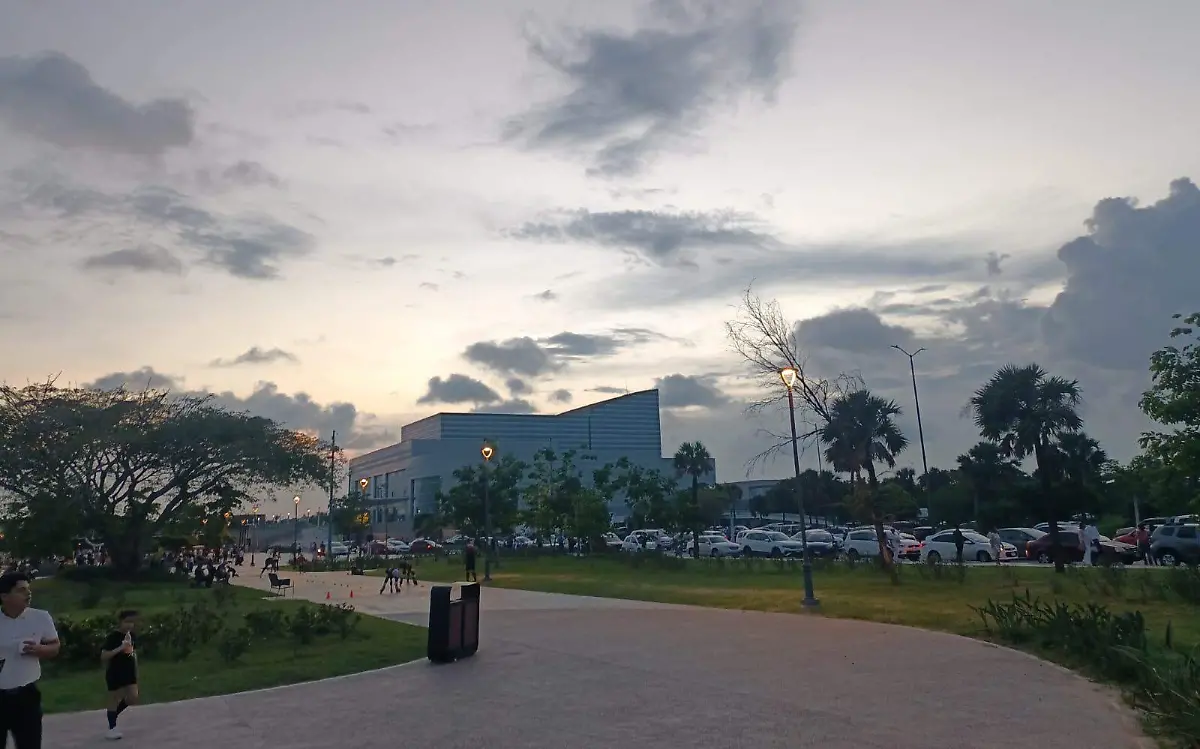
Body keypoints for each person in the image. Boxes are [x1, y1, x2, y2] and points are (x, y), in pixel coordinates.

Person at [0, 571, 61, 749]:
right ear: (4, 596)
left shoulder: (40, 617)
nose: (28, 593)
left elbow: (55, 646)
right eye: (21, 590)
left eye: (28, 589)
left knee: (30, 745)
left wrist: (40, 649)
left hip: (26, 696)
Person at [100, 610, 140, 740]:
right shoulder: (113, 637)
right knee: (114, 698)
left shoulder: (132, 635)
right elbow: (104, 656)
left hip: (129, 671)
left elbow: (132, 653)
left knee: (133, 697)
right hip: (115, 671)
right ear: (120, 622)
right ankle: (112, 728)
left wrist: (136, 668)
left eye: (132, 622)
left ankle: (113, 715)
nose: (130, 625)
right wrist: (120, 648)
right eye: (127, 622)